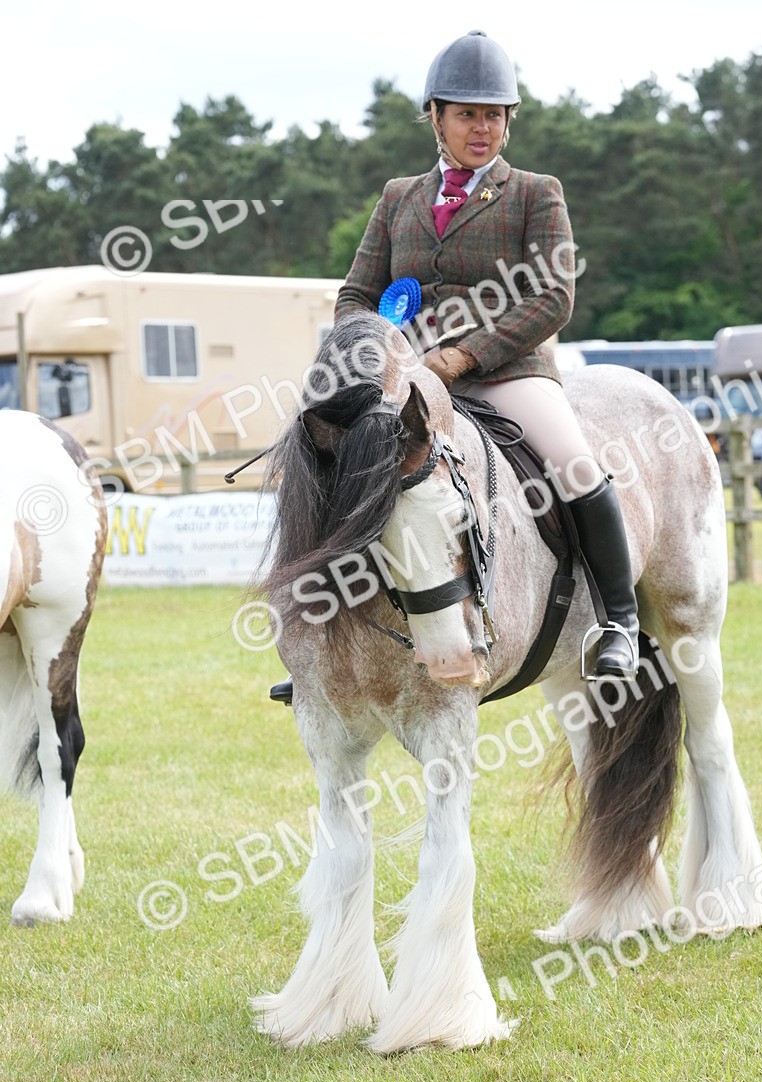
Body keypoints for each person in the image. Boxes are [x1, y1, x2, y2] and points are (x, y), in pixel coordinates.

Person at [269, 30, 637, 705]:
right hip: (408, 376)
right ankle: (320, 640)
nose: (483, 127)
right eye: (468, 113)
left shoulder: (534, 192)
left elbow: (555, 294)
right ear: (435, 116)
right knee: (332, 460)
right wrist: (376, 347)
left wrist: (465, 355)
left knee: (575, 463)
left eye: (494, 115)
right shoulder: (398, 197)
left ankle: (620, 620)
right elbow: (355, 293)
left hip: (507, 372)